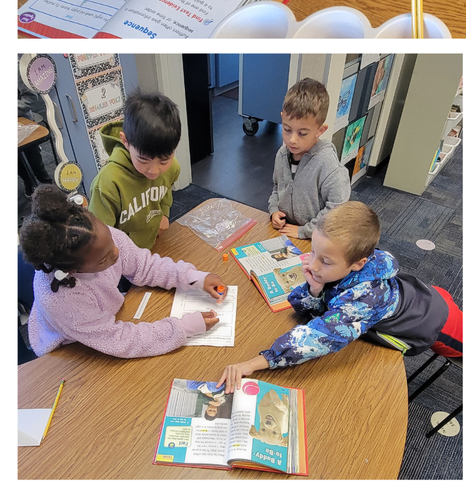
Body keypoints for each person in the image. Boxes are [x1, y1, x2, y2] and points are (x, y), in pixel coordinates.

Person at [219, 201, 463, 389]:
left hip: (437, 321)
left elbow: (319, 338)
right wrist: (315, 290)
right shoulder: (345, 262)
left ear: (358, 264)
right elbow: (315, 308)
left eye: (324, 261)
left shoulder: (365, 299)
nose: (313, 265)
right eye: (313, 251)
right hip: (423, 293)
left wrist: (254, 363)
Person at [22, 185, 225, 357]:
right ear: (73, 270)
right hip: (67, 348)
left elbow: (144, 264)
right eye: (104, 258)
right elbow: (118, 340)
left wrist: (192, 278)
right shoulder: (62, 301)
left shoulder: (98, 239)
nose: (117, 251)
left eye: (112, 241)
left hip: (103, 320)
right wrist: (181, 328)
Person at [88, 91, 182, 250]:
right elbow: (98, 235)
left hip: (152, 244)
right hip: (119, 256)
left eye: (163, 160)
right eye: (143, 160)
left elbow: (166, 190)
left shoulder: (173, 168)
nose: (154, 171)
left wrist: (164, 213)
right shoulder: (108, 183)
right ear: (125, 141)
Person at [268, 78, 351, 240]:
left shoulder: (327, 164)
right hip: (286, 231)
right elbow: (277, 188)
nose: (292, 139)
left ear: (320, 130)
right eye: (287, 129)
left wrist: (306, 231)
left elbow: (337, 208)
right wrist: (274, 210)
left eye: (302, 133)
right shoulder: (282, 154)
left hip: (317, 237)